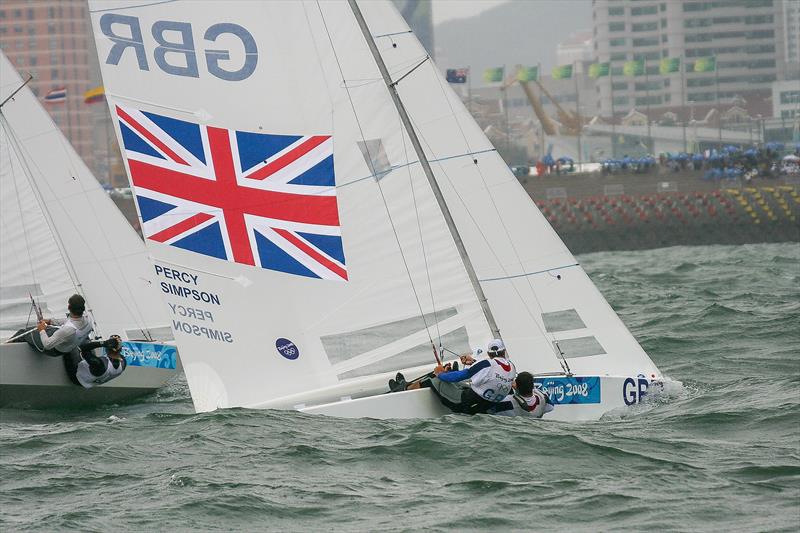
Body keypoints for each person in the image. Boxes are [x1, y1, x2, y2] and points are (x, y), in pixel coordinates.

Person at [394, 339, 517, 415]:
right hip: (484, 406)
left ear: (489, 353)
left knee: (432, 380)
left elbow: (459, 377)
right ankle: (448, 372)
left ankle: (405, 388)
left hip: (465, 405)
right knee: (460, 384)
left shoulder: (486, 364)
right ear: (504, 352)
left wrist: (440, 373)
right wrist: (474, 362)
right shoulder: (512, 367)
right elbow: (493, 373)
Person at [16, 294, 94, 357]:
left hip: (54, 351)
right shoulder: (89, 320)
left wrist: (42, 330)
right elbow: (71, 321)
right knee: (49, 329)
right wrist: (50, 321)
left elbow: (47, 345)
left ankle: (7, 346)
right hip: (69, 344)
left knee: (23, 332)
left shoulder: (68, 330)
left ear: (69, 307)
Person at [489, 371, 554, 419]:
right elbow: (550, 407)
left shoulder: (506, 402)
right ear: (533, 385)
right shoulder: (543, 399)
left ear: (516, 386)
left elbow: (489, 410)